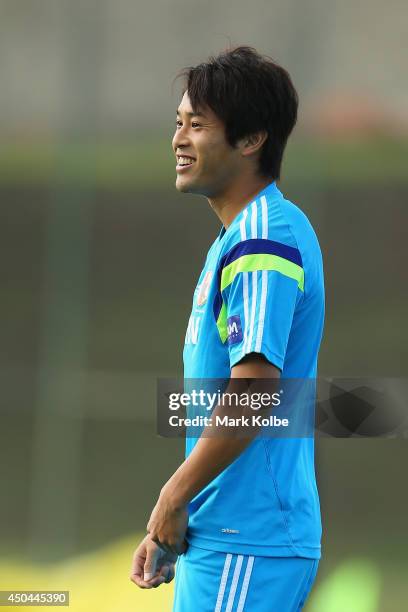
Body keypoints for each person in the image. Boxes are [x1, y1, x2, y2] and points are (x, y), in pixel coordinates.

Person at [130, 46, 325, 611]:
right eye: (178, 124)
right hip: (223, 538)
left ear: (250, 138)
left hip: (249, 542)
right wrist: (178, 518)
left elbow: (256, 394)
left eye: (198, 125)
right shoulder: (239, 237)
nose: (179, 140)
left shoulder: (263, 239)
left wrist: (173, 496)